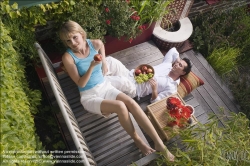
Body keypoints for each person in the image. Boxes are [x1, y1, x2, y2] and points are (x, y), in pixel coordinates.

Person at [59, 20, 174, 161]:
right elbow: (80, 83)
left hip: (105, 86)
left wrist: (104, 64)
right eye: (68, 41)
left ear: (81, 34)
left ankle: (159, 144)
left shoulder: (94, 44)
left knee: (131, 103)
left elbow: (101, 48)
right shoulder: (68, 57)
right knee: (121, 106)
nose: (73, 43)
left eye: (74, 37)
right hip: (89, 95)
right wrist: (91, 67)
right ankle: (137, 139)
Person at [105, 47, 192, 103]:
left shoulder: (172, 88)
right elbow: (173, 50)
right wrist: (179, 60)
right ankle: (94, 74)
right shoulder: (167, 64)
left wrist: (154, 90)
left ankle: (95, 83)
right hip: (130, 74)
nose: (176, 64)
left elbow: (155, 102)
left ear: (183, 73)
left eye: (180, 65)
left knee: (121, 81)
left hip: (135, 88)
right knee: (111, 61)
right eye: (178, 63)